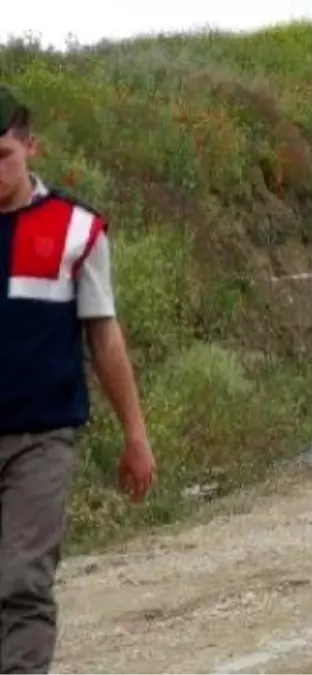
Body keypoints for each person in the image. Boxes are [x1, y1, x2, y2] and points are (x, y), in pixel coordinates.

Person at [0, 85, 157, 672]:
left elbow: (105, 337)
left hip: (40, 439)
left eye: (3, 156)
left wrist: (135, 435)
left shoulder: (77, 230)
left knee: (21, 582)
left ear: (30, 146)